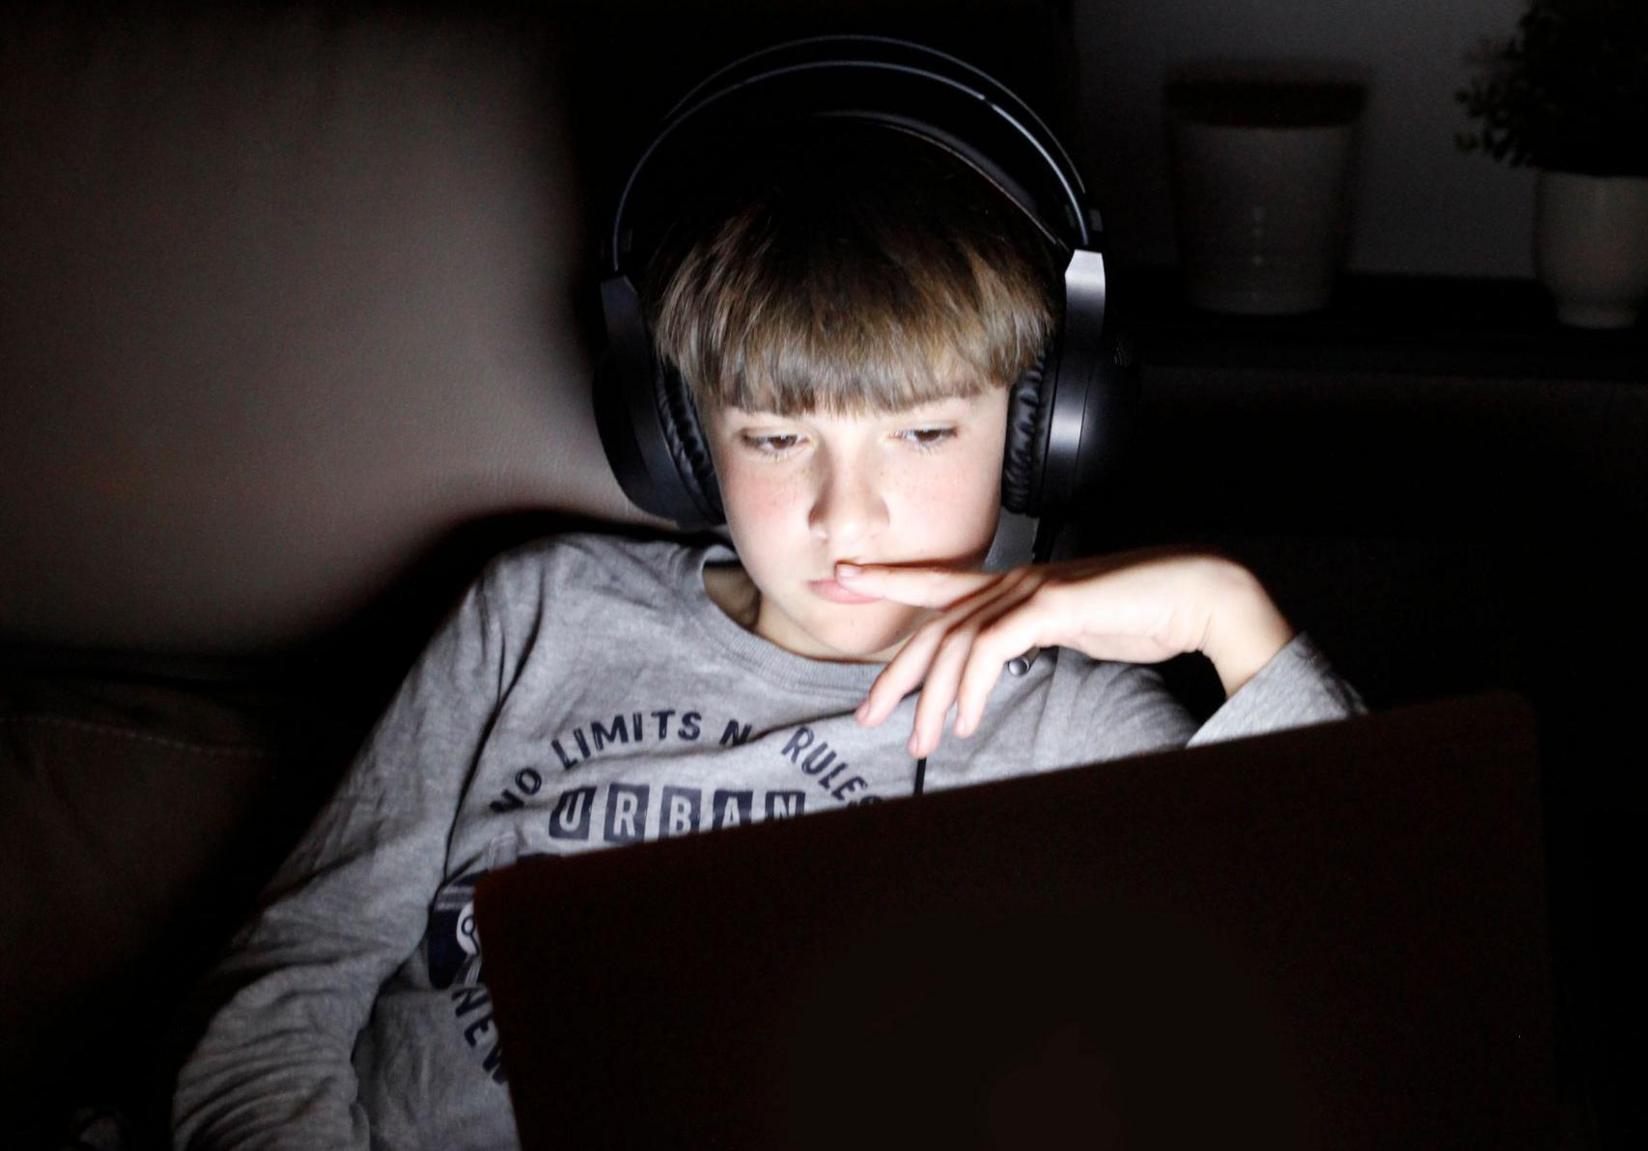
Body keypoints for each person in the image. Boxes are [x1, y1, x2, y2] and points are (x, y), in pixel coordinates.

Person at [172, 116, 1365, 1151]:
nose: (845, 517)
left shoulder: (1071, 718)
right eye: (777, 437)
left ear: (1038, 428)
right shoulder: (535, 612)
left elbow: (1349, 970)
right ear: (683, 437)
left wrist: (1221, 610)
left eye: (924, 435)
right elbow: (283, 990)